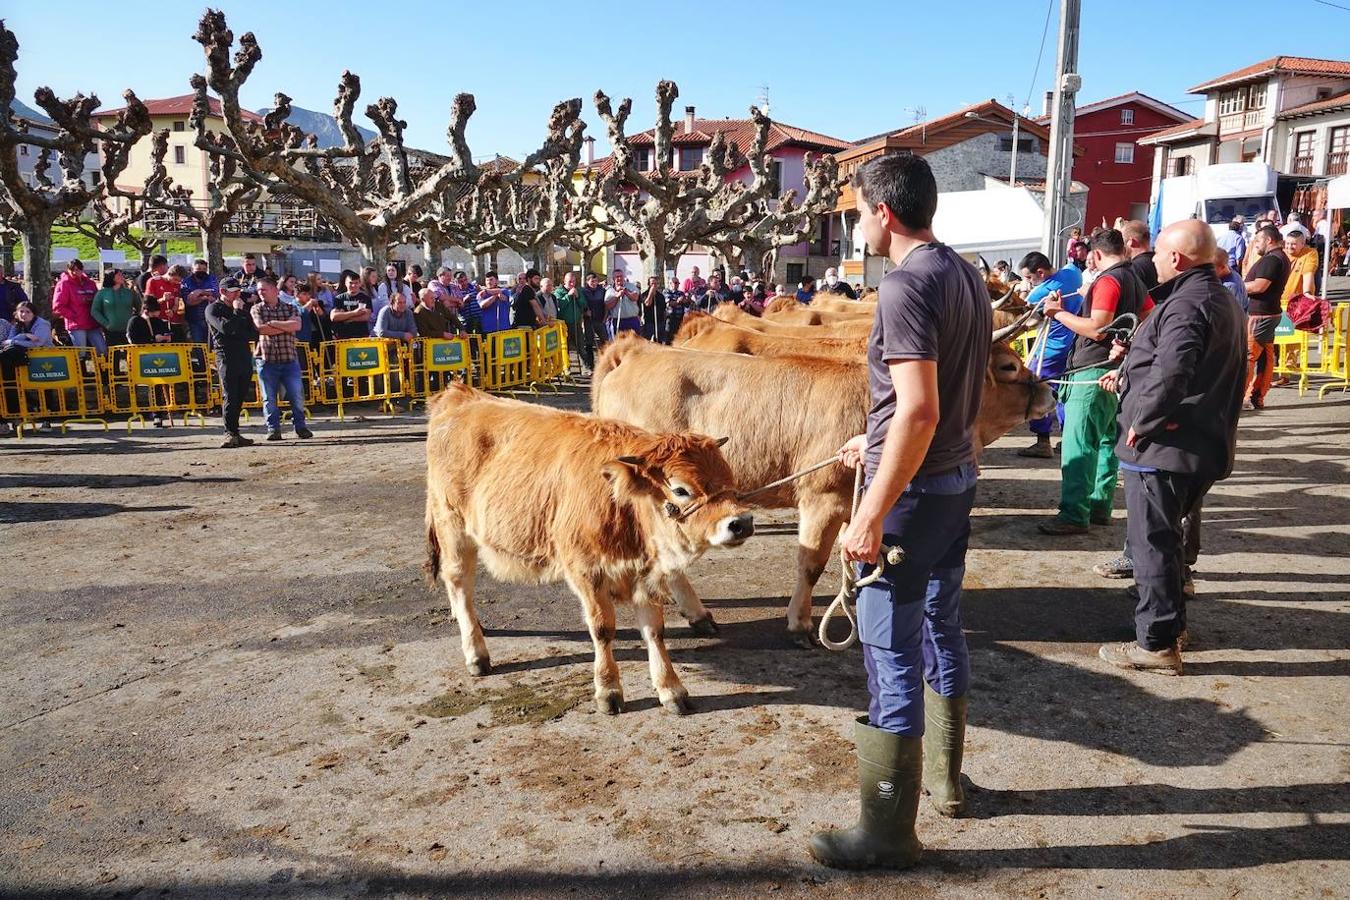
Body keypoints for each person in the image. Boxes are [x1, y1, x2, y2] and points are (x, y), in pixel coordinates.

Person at [809, 153, 990, 871]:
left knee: (890, 655)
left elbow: (918, 407)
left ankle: (886, 834)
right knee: (943, 631)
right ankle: (946, 781)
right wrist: (875, 437)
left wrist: (868, 513)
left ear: (884, 213)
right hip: (954, 482)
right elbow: (935, 400)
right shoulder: (962, 272)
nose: (857, 225)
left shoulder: (904, 287)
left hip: (913, 500)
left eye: (857, 212)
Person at [1096, 220, 1246, 676]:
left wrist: (1143, 422)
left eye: (1159, 254)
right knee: (1166, 539)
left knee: (1152, 543)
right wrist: (1130, 367)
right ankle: (1170, 627)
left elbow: (1174, 372)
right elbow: (1175, 363)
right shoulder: (1215, 297)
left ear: (1177, 258)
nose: (1154, 262)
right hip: (1197, 441)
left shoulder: (1185, 303)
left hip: (1166, 446)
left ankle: (1157, 643)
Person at [1036, 229, 1152, 536]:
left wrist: (1057, 313)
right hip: (1116, 370)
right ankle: (1100, 507)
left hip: (1092, 369)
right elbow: (1147, 319)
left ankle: (1074, 513)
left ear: (1096, 255)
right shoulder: (1136, 280)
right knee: (1105, 443)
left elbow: (1099, 328)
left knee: (1079, 444)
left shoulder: (1109, 279)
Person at [1015, 250, 1084, 458]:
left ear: (1041, 273)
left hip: (1050, 349)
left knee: (1037, 390)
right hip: (1074, 344)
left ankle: (1042, 441)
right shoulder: (1072, 273)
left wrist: (1023, 293)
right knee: (1065, 393)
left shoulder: (1039, 293)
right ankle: (1067, 439)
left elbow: (1023, 318)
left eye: (1029, 277)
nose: (1028, 281)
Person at [250, 276, 312, 441]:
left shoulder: (290, 307)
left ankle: (300, 427)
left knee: (296, 396)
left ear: (275, 291)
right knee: (269, 398)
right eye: (259, 290)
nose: (260, 293)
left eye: (264, 289)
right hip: (266, 359)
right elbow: (261, 329)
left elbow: (297, 326)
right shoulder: (256, 309)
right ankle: (273, 429)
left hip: (289, 359)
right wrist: (284, 326)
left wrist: (273, 323)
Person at [205, 277, 259, 448]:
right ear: (223, 292)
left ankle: (236, 432)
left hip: (243, 355)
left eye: (238, 291)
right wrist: (236, 315)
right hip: (226, 357)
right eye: (234, 291)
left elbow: (252, 333)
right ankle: (229, 433)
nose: (238, 294)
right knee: (230, 395)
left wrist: (238, 318)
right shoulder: (213, 309)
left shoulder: (242, 310)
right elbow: (227, 329)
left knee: (241, 395)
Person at [1241, 224, 1289, 410]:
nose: (1255, 245)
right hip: (1268, 313)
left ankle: (1240, 399)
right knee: (1265, 358)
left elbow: (1259, 286)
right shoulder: (1279, 257)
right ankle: (1256, 397)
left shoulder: (1272, 260)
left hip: (1260, 315)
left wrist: (1237, 286)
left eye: (1259, 240)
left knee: (1248, 357)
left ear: (1269, 240)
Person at [0, 302, 54, 434]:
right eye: (21, 312)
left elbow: (39, 342)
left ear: (34, 313)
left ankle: (47, 420)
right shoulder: (16, 325)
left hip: (44, 360)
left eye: (27, 312)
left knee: (45, 387)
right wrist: (24, 336)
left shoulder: (42, 324)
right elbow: (9, 342)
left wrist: (16, 340)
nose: (24, 315)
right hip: (23, 361)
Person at [52, 259, 104, 353]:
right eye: (73, 269)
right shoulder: (64, 284)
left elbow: (97, 300)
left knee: (102, 350)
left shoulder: (90, 283)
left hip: (92, 322)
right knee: (81, 353)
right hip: (76, 325)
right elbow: (58, 306)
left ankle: (103, 368)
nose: (76, 272)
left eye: (78, 269)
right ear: (68, 270)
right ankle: (81, 367)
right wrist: (74, 316)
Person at [92, 270, 137, 346]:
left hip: (128, 330)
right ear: (112, 277)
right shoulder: (102, 293)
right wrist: (106, 324)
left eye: (122, 274)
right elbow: (95, 311)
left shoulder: (129, 293)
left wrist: (135, 322)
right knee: (112, 355)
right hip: (110, 331)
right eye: (119, 275)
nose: (122, 276)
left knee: (130, 355)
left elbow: (139, 307)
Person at [144, 264, 187, 342]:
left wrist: (172, 311)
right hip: (156, 321)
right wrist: (162, 299)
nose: (176, 282)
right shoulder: (153, 281)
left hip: (171, 321)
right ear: (169, 274)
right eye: (175, 279)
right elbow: (148, 304)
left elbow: (176, 303)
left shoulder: (177, 285)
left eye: (179, 281)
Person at [181, 258, 219, 344]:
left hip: (211, 318)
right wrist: (204, 298)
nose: (201, 271)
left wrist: (199, 292)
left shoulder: (211, 278)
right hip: (194, 319)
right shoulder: (186, 282)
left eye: (204, 269)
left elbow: (216, 293)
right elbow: (188, 301)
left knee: (213, 344)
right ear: (192, 269)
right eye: (198, 269)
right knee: (198, 345)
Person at [553, 271, 586, 363]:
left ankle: (586, 367)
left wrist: (578, 297)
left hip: (576, 323)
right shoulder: (559, 291)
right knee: (565, 347)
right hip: (564, 325)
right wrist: (568, 296)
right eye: (570, 281)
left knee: (581, 346)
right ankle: (565, 367)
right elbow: (559, 305)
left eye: (574, 281)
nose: (572, 284)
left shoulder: (578, 290)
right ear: (564, 281)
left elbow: (584, 304)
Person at [581, 271, 609, 370]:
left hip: (600, 320)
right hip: (589, 320)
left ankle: (605, 363)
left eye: (596, 281)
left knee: (605, 341)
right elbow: (581, 304)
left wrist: (605, 317)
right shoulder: (583, 291)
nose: (594, 283)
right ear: (587, 281)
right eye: (592, 281)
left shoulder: (601, 290)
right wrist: (585, 313)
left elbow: (605, 305)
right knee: (589, 343)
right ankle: (590, 366)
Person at [1121, 220, 1158, 291]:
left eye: (1123, 242)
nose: (1122, 247)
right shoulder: (1162, 262)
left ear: (1131, 242)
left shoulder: (1132, 268)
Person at [373, 262, 413, 327]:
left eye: (393, 270)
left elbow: (409, 301)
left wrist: (401, 308)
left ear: (397, 272)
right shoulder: (383, 286)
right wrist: (395, 308)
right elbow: (384, 302)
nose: (391, 272)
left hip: (403, 315)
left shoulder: (404, 287)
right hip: (389, 316)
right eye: (389, 270)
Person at [1214, 246, 1248, 313]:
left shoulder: (1231, 286)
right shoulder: (1227, 272)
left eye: (1211, 268)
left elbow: (1235, 313)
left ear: (1223, 267)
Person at [662, 276, 690, 343]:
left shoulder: (680, 293)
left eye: (678, 283)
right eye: (675, 283)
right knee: (668, 336)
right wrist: (678, 301)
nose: (677, 285)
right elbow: (669, 303)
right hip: (670, 318)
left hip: (680, 317)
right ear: (670, 283)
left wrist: (687, 299)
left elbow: (686, 304)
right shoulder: (667, 291)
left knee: (678, 335)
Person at [642, 275, 666, 341]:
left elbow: (664, 309)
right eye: (652, 283)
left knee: (659, 341)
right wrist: (651, 294)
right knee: (647, 340)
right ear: (649, 284)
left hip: (660, 322)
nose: (654, 285)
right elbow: (647, 304)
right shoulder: (644, 294)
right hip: (649, 322)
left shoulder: (661, 296)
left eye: (655, 283)